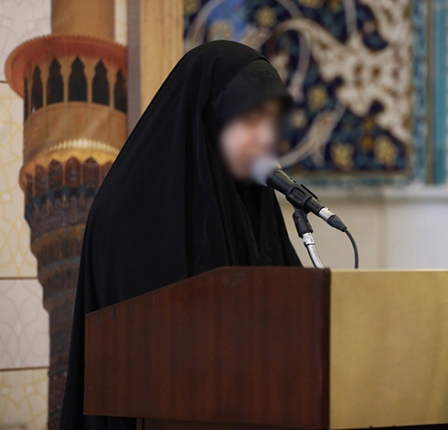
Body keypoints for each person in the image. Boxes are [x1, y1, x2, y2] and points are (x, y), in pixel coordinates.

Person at [60, 40, 301, 430]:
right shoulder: (129, 210)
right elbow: (140, 351)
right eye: (250, 120)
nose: (265, 139)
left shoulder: (254, 200)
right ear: (208, 116)